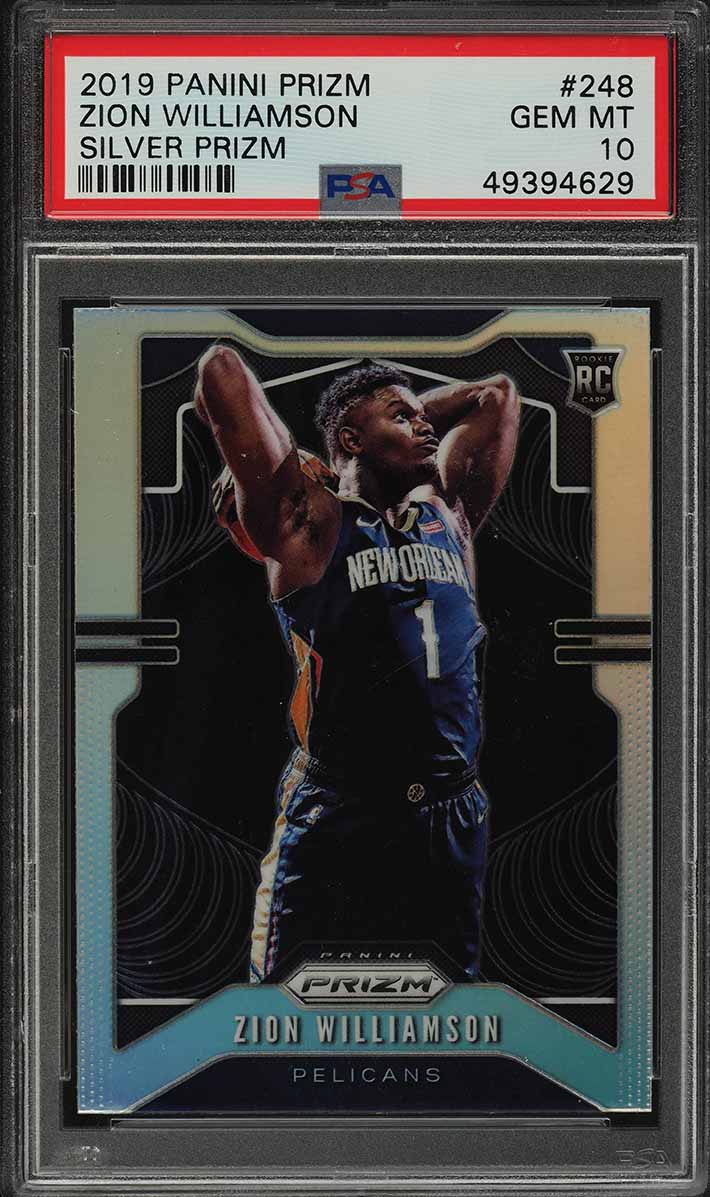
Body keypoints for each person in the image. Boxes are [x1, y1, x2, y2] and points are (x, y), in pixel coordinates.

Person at [194, 348, 520, 982]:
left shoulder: (447, 515)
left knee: (443, 1015)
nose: (424, 425)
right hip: (339, 815)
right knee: (287, 1011)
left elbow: (497, 394)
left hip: (448, 814)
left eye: (422, 415)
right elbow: (221, 371)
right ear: (350, 440)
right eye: (402, 417)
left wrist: (397, 417)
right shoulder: (309, 524)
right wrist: (315, 453)